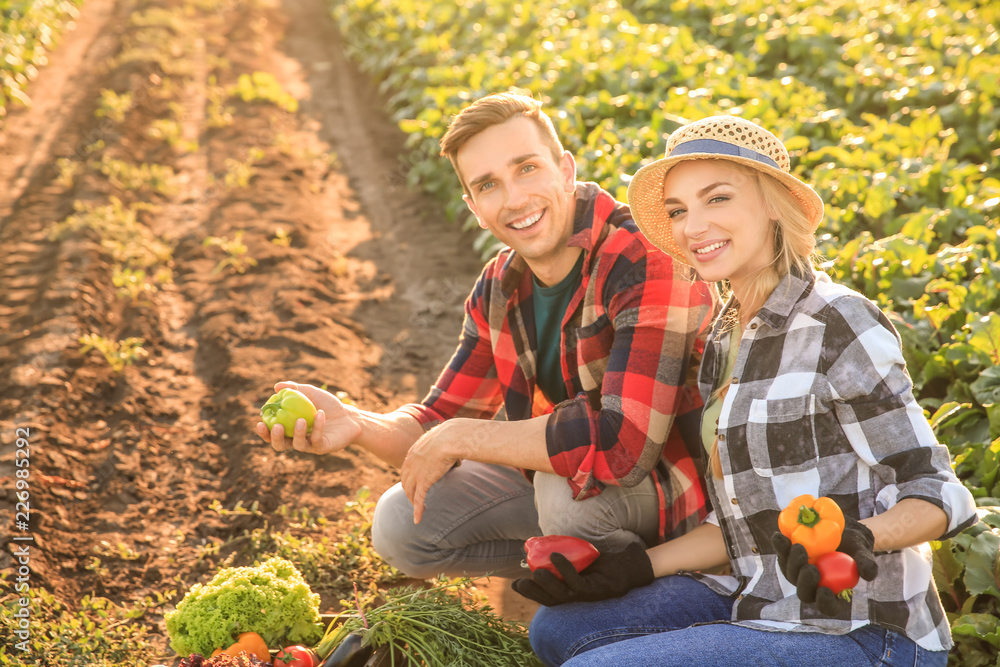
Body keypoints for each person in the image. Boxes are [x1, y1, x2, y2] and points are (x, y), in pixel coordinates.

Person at [512, 115, 978, 666]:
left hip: (861, 629)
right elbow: (736, 528)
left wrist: (859, 537)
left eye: (718, 199)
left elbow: (939, 491)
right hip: (753, 598)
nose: (693, 227)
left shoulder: (838, 322)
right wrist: (638, 566)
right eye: (680, 210)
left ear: (773, 205)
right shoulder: (724, 336)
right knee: (558, 631)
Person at [256, 92, 718, 579]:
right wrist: (355, 422)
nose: (515, 198)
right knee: (402, 525)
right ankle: (564, 573)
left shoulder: (644, 260)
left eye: (526, 168)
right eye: (488, 185)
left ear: (565, 170)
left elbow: (624, 448)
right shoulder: (500, 287)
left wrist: (465, 437)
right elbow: (437, 420)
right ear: (474, 206)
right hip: (575, 482)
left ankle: (638, 601)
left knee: (566, 502)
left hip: (671, 498)